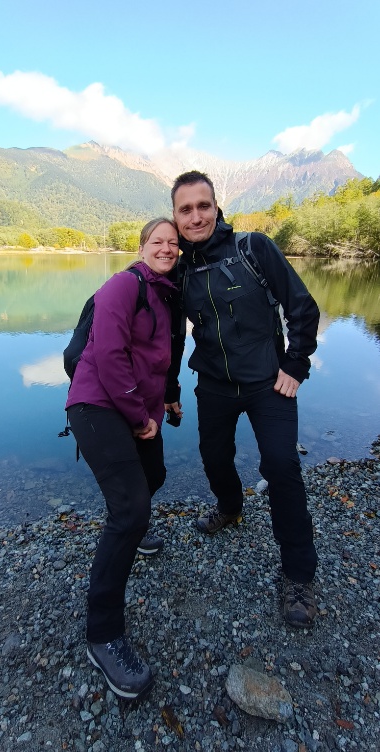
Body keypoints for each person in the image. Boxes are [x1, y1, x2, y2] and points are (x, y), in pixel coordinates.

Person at [165, 171, 320, 628]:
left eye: (203, 206)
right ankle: (231, 507)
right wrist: (170, 389)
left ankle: (298, 576)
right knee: (214, 458)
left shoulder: (253, 248)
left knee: (281, 466)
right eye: (186, 209)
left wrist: (295, 365)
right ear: (175, 216)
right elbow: (173, 337)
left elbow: (302, 307)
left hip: (267, 382)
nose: (196, 216)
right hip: (213, 384)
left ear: (217, 208)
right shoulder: (179, 271)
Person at [66, 218, 180, 700]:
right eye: (158, 241)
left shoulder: (166, 296)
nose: (167, 248)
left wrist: (165, 402)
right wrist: (138, 416)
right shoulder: (122, 285)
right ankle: (103, 635)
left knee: (153, 475)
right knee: (131, 509)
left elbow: (159, 361)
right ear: (141, 246)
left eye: (173, 243)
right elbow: (110, 355)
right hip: (96, 405)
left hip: (136, 408)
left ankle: (130, 525)